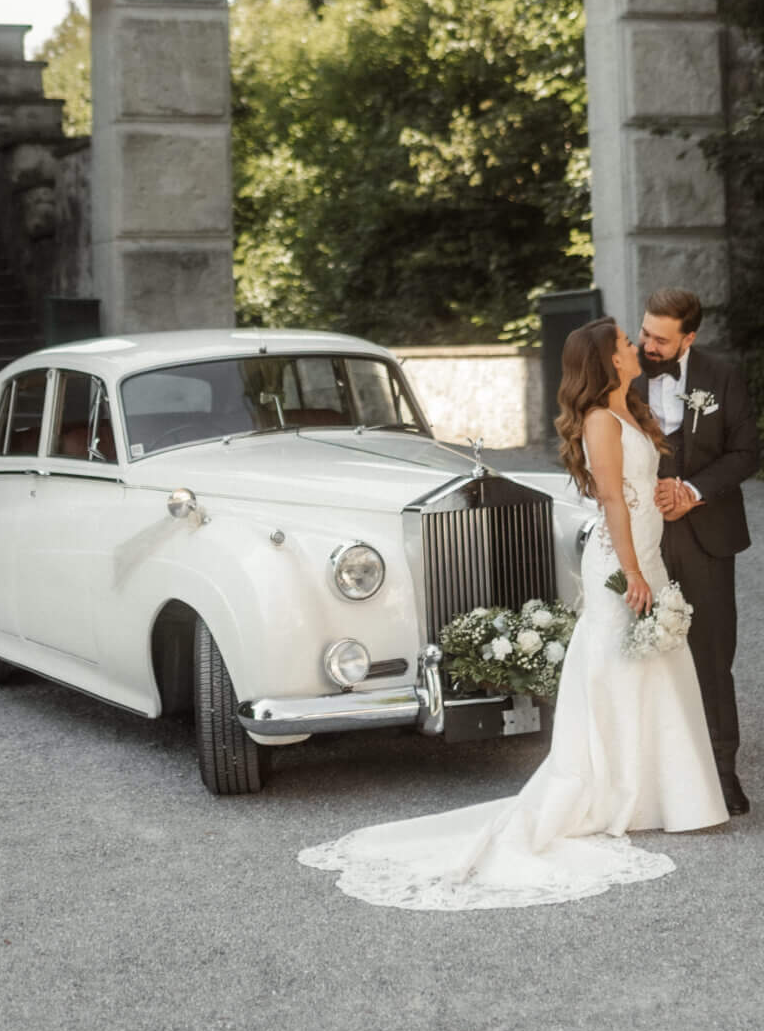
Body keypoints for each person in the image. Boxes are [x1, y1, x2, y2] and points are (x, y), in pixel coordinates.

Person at [300, 315, 725, 910]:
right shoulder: (602, 420)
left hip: (649, 549)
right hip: (623, 557)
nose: (633, 347)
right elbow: (610, 502)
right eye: (626, 344)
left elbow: (639, 488)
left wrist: (669, 499)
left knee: (653, 660)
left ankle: (662, 792)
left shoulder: (632, 410)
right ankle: (618, 790)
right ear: (607, 361)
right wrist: (631, 571)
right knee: (619, 659)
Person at [632, 286, 759, 816]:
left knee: (710, 653)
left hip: (707, 532)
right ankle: (654, 776)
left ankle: (722, 774)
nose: (648, 345)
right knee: (643, 649)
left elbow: (746, 452)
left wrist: (692, 491)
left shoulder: (722, 375)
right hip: (645, 533)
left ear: (690, 337)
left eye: (661, 338)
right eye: (645, 333)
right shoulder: (625, 376)